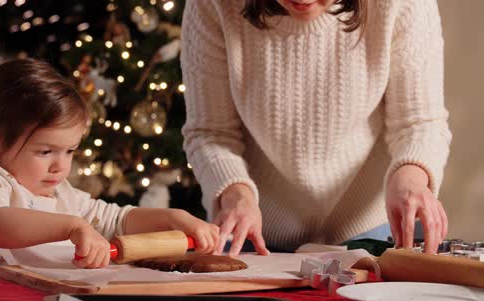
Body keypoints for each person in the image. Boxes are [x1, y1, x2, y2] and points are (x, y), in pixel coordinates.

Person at [180, 0, 451, 256]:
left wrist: (411, 177)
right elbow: (210, 132)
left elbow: (419, 122)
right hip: (253, 233)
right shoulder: (210, 5)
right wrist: (235, 193)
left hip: (368, 233)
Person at [0, 59, 219, 269]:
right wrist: (71, 227)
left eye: (69, 151)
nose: (59, 167)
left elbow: (117, 220)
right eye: (45, 152)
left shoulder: (62, 193)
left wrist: (173, 217)